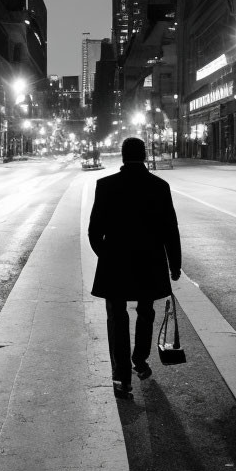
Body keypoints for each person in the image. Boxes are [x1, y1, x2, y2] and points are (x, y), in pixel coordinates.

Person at [88, 137, 182, 399]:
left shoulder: (105, 186)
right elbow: (169, 230)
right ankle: (139, 360)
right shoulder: (159, 186)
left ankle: (121, 377)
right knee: (146, 310)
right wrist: (175, 264)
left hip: (115, 262)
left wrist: (106, 255)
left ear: (122, 156)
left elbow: (95, 230)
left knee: (116, 316)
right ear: (145, 156)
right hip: (149, 261)